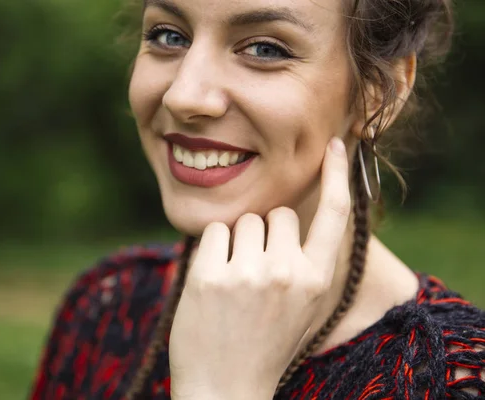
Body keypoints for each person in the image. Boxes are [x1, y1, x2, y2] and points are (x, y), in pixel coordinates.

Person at [30, 0, 485, 398]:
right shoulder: (108, 309)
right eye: (169, 36)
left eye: (265, 48)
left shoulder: (447, 377)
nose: (185, 95)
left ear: (377, 92)